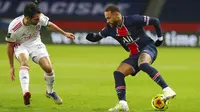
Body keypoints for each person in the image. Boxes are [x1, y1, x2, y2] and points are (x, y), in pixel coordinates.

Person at [86, 4, 176, 112]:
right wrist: (91, 37)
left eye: (109, 17)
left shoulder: (133, 19)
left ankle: (167, 90)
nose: (107, 20)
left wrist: (160, 38)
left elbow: (155, 21)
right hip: (134, 55)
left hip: (148, 48)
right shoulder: (109, 29)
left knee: (142, 64)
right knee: (118, 73)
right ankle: (122, 104)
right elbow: (97, 37)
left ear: (117, 15)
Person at [6, 3, 75, 106]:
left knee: (48, 68)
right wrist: (11, 66)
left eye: (39, 18)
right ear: (27, 18)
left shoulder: (39, 17)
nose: (39, 20)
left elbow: (50, 24)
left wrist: (64, 33)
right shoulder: (14, 27)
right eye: (36, 19)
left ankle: (50, 92)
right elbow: (10, 46)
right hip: (20, 45)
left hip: (35, 43)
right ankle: (26, 93)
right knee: (24, 63)